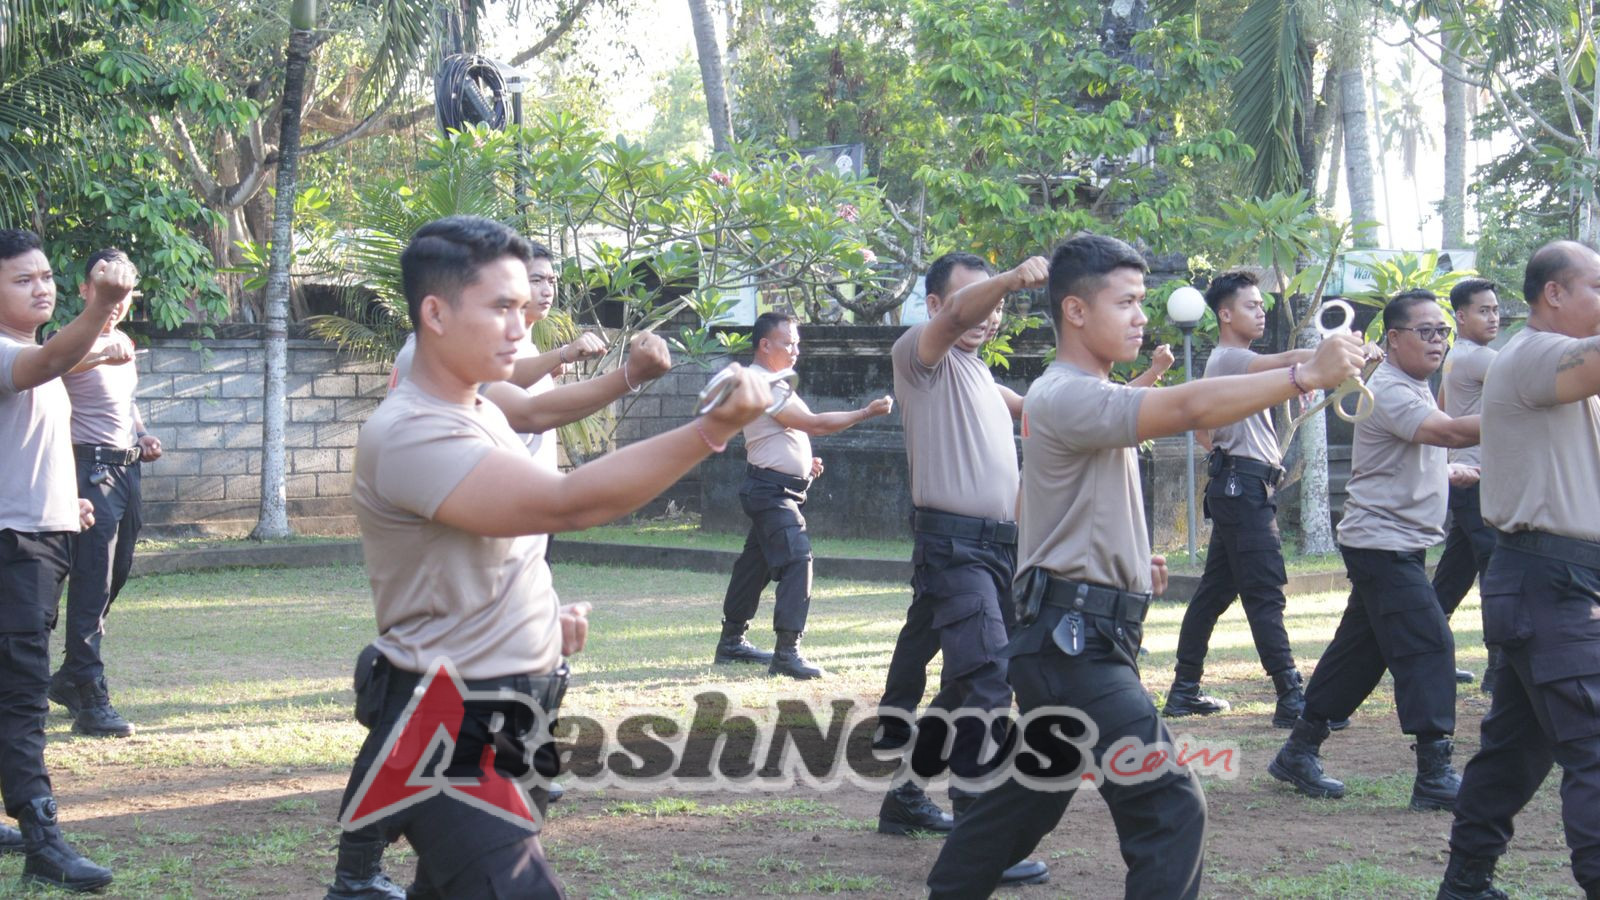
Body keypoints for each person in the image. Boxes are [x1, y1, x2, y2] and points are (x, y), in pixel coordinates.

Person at [326, 216, 773, 899]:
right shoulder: (414, 430)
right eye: (502, 306)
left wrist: (535, 620)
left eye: (524, 304)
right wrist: (711, 429)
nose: (522, 321)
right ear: (435, 313)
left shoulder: (481, 409)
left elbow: (487, 549)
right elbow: (567, 503)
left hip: (512, 709)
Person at [925, 234, 1364, 899]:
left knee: (1022, 801)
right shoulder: (1066, 393)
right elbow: (1187, 407)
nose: (1140, 316)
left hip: (1077, 636)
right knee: (1170, 801)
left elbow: (1039, 504)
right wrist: (1304, 374)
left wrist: (1128, 564)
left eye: (1142, 302)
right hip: (1073, 648)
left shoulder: (1084, 392)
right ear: (1075, 311)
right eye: (1125, 301)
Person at [869, 252, 1049, 888]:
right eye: (973, 300)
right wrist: (1006, 280)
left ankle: (906, 797)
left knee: (965, 684)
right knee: (990, 678)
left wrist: (1142, 393)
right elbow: (959, 318)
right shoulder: (920, 358)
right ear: (936, 305)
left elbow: (1053, 416)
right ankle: (980, 835)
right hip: (955, 551)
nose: (988, 313)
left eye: (995, 306)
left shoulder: (978, 375)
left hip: (998, 551)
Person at [1269, 289, 1481, 813]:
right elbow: (1449, 431)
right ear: (1393, 337)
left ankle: (1299, 750)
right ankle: (1434, 772)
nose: (1438, 341)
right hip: (1381, 544)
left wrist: (1444, 472)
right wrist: (1524, 411)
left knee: (1360, 653)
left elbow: (1419, 448)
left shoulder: (1411, 383)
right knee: (1431, 645)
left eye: (1443, 331)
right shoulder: (1390, 388)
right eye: (1426, 331)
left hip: (1393, 543)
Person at [1436, 241, 1600, 900]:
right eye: (1596, 285)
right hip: (1548, 581)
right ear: (1553, 293)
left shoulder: (1563, 372)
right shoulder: (1533, 355)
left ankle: (1466, 883)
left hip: (1548, 581)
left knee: (1514, 752)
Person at [0, 227, 132, 891]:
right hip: (13, 549)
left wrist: (64, 505)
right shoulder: (12, 354)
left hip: (36, 535)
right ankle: (42, 837)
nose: (42, 286)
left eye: (46, 275)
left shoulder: (29, 350)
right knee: (23, 698)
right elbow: (46, 366)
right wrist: (102, 310)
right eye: (23, 279)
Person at [1164, 270, 1320, 726]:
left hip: (1239, 486)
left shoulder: (1232, 362)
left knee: (1213, 594)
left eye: (1262, 306)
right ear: (1225, 314)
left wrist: (1225, 456)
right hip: (1242, 488)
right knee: (1264, 591)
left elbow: (1201, 430)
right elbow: (1292, 359)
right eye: (1253, 305)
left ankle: (1183, 691)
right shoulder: (1232, 359)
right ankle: (1291, 697)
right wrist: (1337, 355)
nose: (1261, 312)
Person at [712, 312, 893, 679]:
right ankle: (787, 652)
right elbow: (813, 424)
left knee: (754, 566)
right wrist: (865, 412)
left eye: (798, 342)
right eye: (788, 342)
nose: (796, 349)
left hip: (777, 487)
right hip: (770, 492)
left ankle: (731, 642)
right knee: (798, 559)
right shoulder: (761, 383)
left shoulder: (775, 382)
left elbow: (787, 432)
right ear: (765, 345)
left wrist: (801, 463)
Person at [47, 248, 162, 739]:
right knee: (91, 582)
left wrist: (141, 435)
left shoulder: (124, 341)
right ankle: (90, 696)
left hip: (126, 470)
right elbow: (50, 369)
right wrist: (96, 349)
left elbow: (125, 401)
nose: (116, 296)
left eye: (125, 287)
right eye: (106, 283)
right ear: (85, 290)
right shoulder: (69, 339)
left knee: (115, 576)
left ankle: (73, 676)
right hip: (87, 470)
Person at [1430, 277, 1501, 691]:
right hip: (1477, 480)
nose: (1492, 317)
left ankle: (1424, 650)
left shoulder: (1456, 357)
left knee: (1455, 573)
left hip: (1466, 477)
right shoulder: (1482, 359)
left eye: (1495, 310)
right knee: (1497, 571)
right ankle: (1500, 670)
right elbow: (1528, 391)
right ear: (1460, 315)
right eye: (1483, 310)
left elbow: (1441, 408)